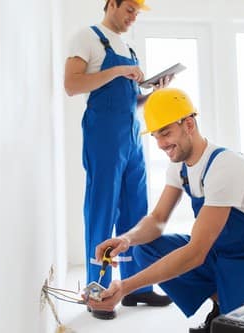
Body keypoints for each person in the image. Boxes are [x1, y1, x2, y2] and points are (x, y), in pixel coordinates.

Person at [87, 88, 244, 333]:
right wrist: (125, 239)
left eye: (166, 133)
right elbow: (158, 219)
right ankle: (221, 303)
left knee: (239, 327)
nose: (161, 144)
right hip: (218, 252)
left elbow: (195, 253)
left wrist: (125, 287)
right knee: (145, 248)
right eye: (156, 136)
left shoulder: (225, 166)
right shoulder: (180, 166)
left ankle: (231, 304)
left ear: (189, 124)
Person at [64, 0, 172, 320]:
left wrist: (153, 93)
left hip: (131, 136)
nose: (132, 17)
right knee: (102, 210)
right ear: (111, 4)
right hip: (104, 136)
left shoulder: (129, 46)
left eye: (137, 13)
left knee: (136, 210)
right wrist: (117, 70)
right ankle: (97, 293)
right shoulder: (87, 37)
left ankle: (136, 288)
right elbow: (72, 85)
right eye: (129, 10)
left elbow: (131, 101)